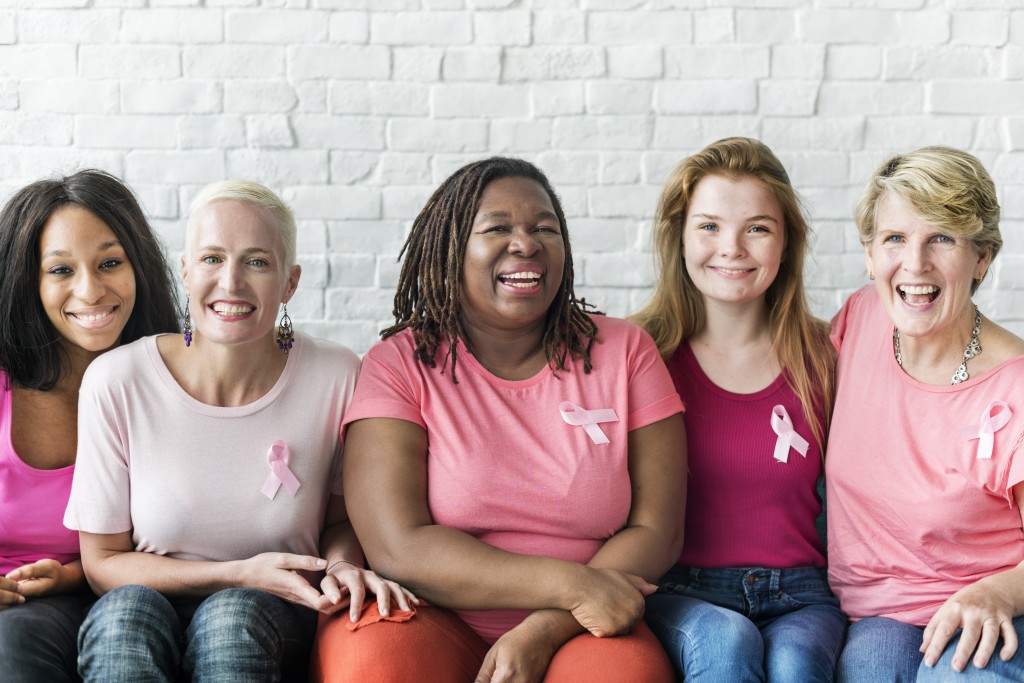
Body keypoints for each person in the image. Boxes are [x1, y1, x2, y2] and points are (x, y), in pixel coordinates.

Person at [310, 156, 687, 683]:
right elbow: (398, 545)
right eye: (498, 228)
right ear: (451, 251)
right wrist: (573, 586)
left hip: (581, 625)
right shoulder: (399, 364)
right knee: (370, 669)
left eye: (544, 229)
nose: (526, 244)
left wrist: (547, 626)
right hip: (428, 612)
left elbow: (659, 529)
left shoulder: (626, 352)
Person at [65, 180, 415, 682]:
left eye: (257, 262)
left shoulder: (337, 374)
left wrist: (340, 565)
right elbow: (102, 564)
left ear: (290, 282)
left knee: (230, 618)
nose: (231, 283)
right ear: (184, 272)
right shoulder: (117, 381)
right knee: (125, 616)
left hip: (273, 613)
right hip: (145, 605)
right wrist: (233, 572)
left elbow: (341, 522)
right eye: (211, 259)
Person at [630, 137, 844, 682]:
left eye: (757, 228)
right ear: (678, 237)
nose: (732, 248)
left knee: (796, 666)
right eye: (709, 226)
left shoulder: (828, 357)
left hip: (801, 593)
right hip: (681, 591)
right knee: (725, 644)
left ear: (785, 243)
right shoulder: (637, 355)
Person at [827, 146, 1024, 682]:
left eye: (941, 237)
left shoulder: (1016, 388)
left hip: (992, 608)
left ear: (982, 257)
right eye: (895, 238)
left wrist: (998, 592)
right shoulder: (860, 322)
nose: (915, 264)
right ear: (870, 254)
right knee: (870, 668)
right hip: (879, 613)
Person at [0, 169, 179, 682]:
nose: (90, 290)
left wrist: (70, 576)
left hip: (124, 597)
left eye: (109, 263)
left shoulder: (172, 379)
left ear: (138, 267)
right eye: (60, 270)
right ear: (26, 280)